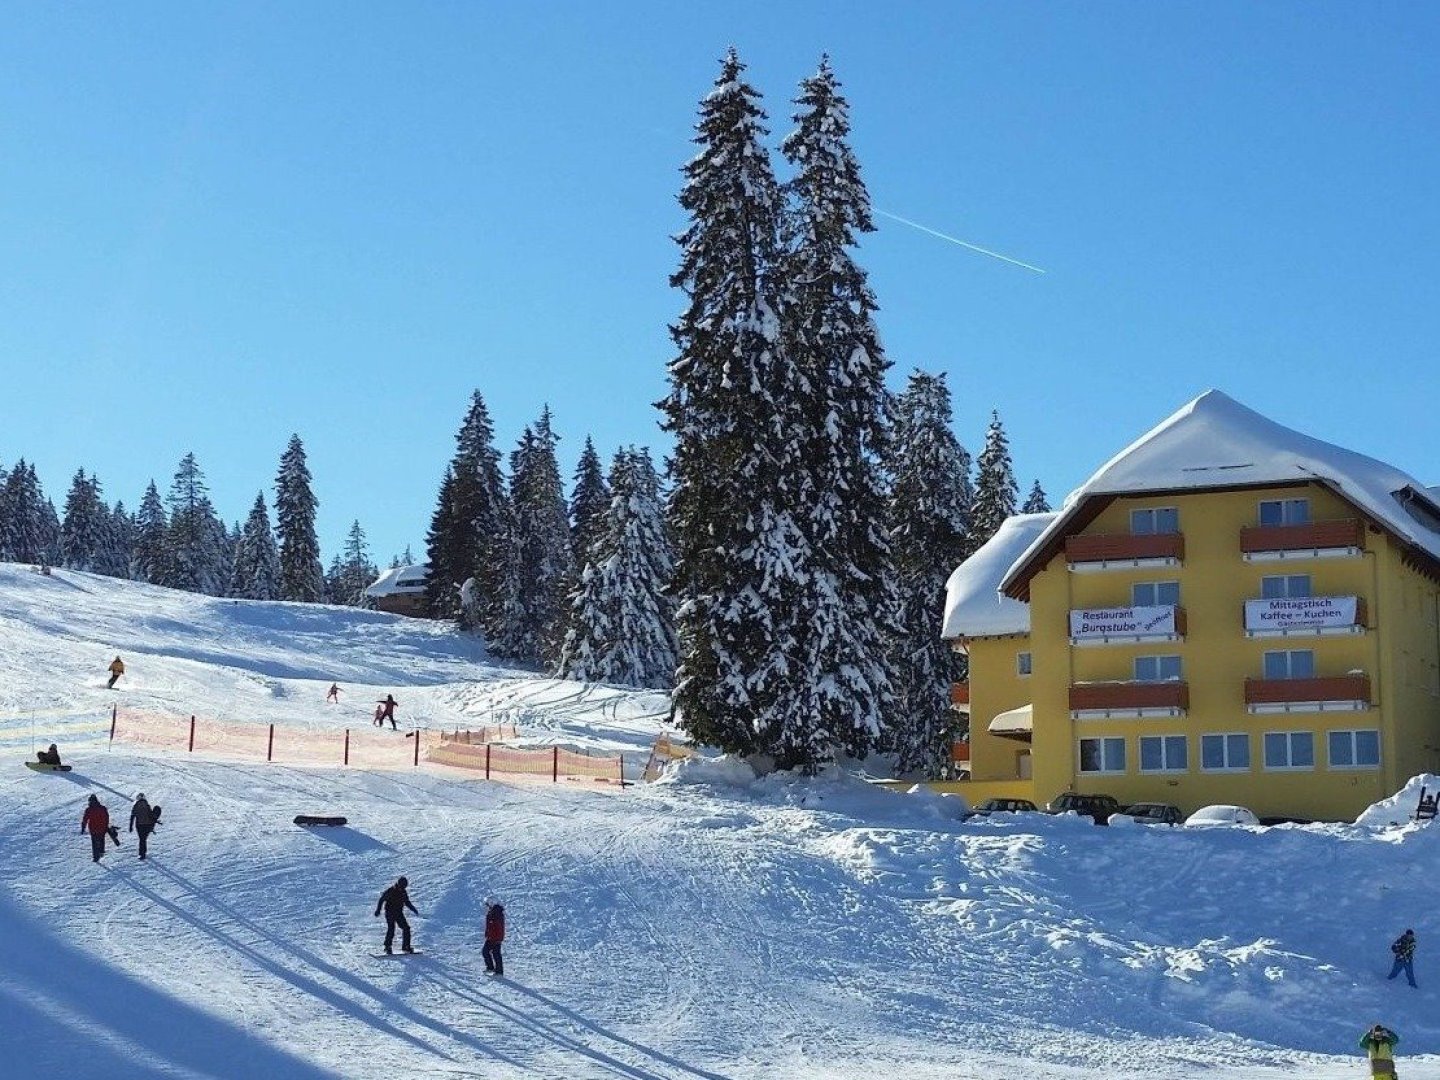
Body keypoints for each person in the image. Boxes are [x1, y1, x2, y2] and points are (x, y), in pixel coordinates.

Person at [374, 876, 419, 954]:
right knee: (391, 928)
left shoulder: (403, 892)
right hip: (389, 912)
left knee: (406, 928)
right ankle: (387, 946)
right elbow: (381, 899)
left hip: (399, 913)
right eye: (403, 886)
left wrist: (413, 908)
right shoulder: (391, 890)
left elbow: (407, 902)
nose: (403, 888)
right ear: (399, 884)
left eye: (405, 886)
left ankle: (406, 946)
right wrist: (378, 910)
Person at [81, 794, 115, 863]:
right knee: (101, 839)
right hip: (102, 828)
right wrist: (106, 825)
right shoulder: (102, 808)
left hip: (93, 829)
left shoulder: (88, 810)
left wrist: (83, 828)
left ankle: (96, 857)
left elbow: (85, 819)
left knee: (94, 843)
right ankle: (101, 851)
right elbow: (106, 817)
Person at [129, 792, 157, 860]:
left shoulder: (136, 805)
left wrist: (131, 826)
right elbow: (150, 815)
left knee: (142, 839)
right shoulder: (147, 805)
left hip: (139, 825)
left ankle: (142, 854)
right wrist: (154, 821)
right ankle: (143, 852)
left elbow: (133, 816)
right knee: (143, 839)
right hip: (147, 825)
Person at [483, 898, 505, 977]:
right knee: (485, 951)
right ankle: (490, 967)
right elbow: (489, 925)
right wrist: (487, 934)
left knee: (496, 953)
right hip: (491, 937)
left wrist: (499, 938)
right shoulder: (491, 912)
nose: (487, 906)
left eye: (488, 904)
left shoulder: (497, 913)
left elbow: (499, 927)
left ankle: (499, 971)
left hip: (496, 938)